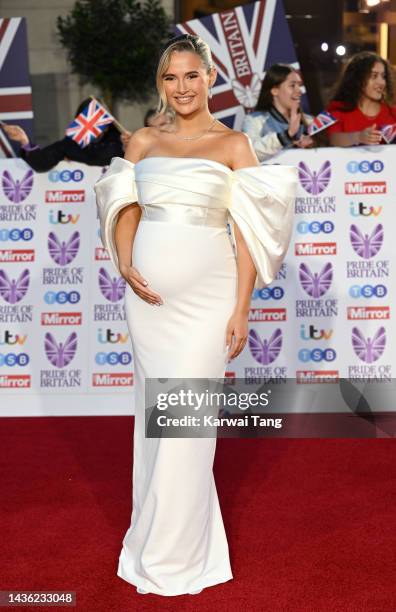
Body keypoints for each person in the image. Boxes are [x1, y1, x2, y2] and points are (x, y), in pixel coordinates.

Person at [94, 33, 297, 597]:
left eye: (191, 75)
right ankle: (155, 540)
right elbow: (123, 203)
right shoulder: (142, 140)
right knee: (158, 422)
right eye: (169, 77)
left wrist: (241, 307)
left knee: (188, 425)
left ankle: (178, 554)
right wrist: (128, 260)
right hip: (149, 303)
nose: (181, 87)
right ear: (160, 85)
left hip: (208, 302)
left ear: (210, 78)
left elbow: (251, 234)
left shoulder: (234, 145)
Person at [1, 98, 132, 172]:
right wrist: (24, 141)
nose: (97, 129)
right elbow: (40, 163)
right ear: (80, 121)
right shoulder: (70, 144)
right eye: (90, 121)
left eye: (100, 122)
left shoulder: (120, 142)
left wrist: (130, 148)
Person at [241, 63, 314, 161]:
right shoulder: (254, 121)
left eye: (299, 85)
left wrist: (313, 144)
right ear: (275, 90)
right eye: (292, 85)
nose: (299, 90)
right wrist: (286, 136)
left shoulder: (309, 121)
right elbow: (250, 152)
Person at [326, 51, 396, 146]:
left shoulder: (392, 112)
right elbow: (332, 140)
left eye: (383, 76)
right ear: (357, 79)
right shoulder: (338, 109)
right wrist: (358, 137)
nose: (381, 82)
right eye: (374, 76)